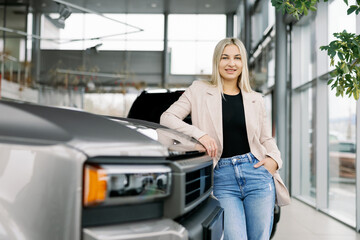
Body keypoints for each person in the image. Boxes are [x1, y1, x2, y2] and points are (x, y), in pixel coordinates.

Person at [160, 38, 285, 240]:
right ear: (217, 61)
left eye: (237, 58)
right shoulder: (199, 90)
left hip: (256, 173)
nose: (231, 63)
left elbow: (266, 138)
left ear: (243, 63)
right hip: (222, 176)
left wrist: (274, 160)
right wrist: (200, 135)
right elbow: (167, 118)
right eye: (225, 57)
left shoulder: (256, 99)